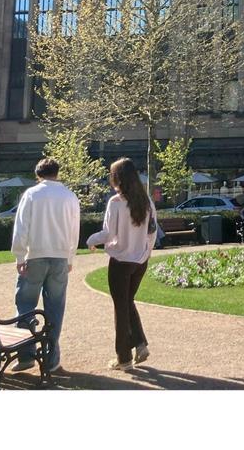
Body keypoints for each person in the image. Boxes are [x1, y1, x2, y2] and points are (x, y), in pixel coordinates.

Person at [11, 157, 80, 375]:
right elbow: (74, 230)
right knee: (55, 308)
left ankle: (26, 354)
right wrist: (70, 258)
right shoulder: (69, 196)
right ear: (57, 173)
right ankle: (51, 358)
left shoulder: (31, 194)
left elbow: (21, 227)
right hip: (59, 257)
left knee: (25, 305)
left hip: (35, 256)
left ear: (38, 174)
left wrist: (19, 256)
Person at [86, 158, 157, 371]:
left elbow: (109, 233)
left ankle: (123, 357)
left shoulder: (116, 202)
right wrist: (146, 254)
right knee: (127, 302)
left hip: (121, 262)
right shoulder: (146, 201)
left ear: (116, 178)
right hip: (139, 261)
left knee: (121, 306)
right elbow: (152, 231)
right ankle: (140, 343)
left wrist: (91, 240)